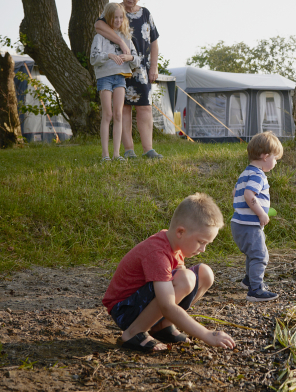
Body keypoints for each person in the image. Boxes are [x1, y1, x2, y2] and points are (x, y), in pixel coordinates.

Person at [102, 193, 236, 352]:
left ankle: (161, 326)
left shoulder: (174, 243)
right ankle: (134, 332)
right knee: (185, 279)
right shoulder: (157, 253)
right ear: (180, 232)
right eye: (201, 242)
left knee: (205, 274)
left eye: (207, 244)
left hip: (140, 304)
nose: (203, 249)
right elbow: (167, 305)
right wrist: (206, 334)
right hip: (125, 310)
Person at [95, 0, 164, 159]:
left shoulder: (146, 13)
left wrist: (154, 66)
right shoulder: (115, 11)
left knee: (145, 107)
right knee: (124, 109)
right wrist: (120, 42)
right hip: (119, 67)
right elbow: (98, 25)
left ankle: (148, 149)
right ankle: (129, 150)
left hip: (142, 68)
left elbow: (154, 42)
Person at [231, 131, 283, 302]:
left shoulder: (245, 173)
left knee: (252, 254)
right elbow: (248, 195)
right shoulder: (258, 175)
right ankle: (255, 290)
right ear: (265, 156)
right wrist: (261, 213)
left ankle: (249, 280)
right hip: (249, 225)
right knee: (260, 255)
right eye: (275, 158)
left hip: (238, 223)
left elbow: (235, 192)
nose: (276, 162)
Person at [90, 2, 141, 162]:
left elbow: (137, 60)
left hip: (120, 78)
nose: (118, 20)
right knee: (108, 114)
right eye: (114, 18)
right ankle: (105, 154)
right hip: (104, 77)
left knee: (118, 114)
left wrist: (129, 57)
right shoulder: (99, 37)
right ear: (107, 18)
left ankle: (116, 154)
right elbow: (93, 58)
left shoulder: (126, 38)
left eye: (120, 17)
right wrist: (109, 55)